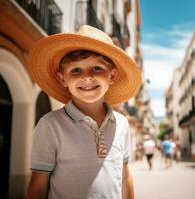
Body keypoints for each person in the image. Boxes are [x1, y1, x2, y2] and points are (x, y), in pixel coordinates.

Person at [27, 25, 142, 199]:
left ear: (112, 76)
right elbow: (38, 187)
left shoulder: (122, 123)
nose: (87, 77)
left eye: (97, 68)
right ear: (62, 78)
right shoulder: (50, 124)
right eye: (76, 70)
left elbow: (125, 176)